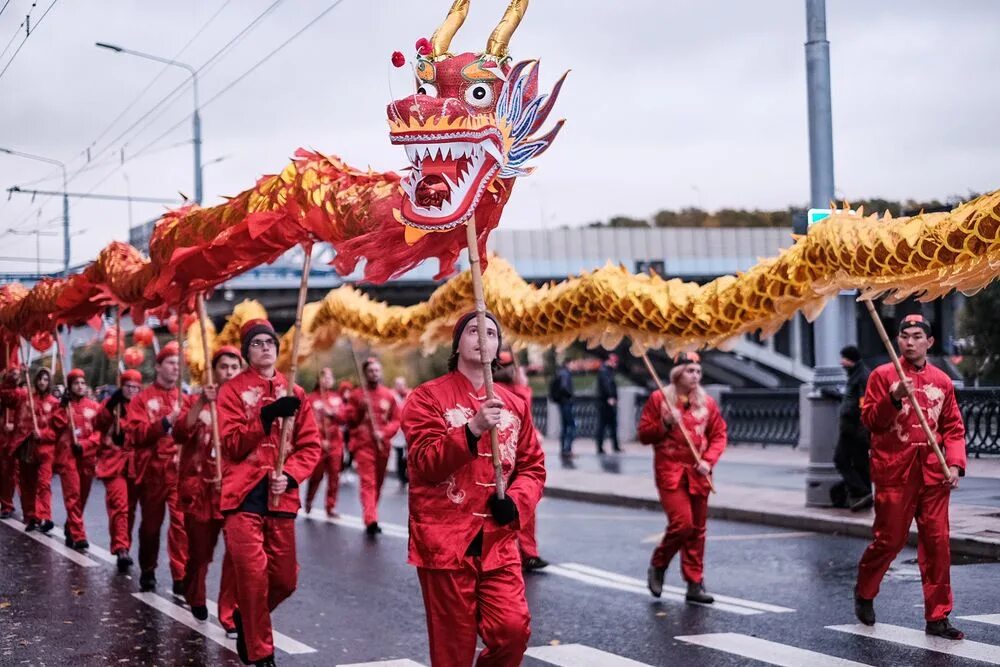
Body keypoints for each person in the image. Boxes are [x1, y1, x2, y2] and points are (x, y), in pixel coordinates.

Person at [402, 312, 546, 666]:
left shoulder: (515, 405)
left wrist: (516, 501)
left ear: (498, 346)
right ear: (457, 344)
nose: (483, 338)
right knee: (452, 648)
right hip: (445, 542)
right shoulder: (427, 398)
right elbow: (425, 464)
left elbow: (533, 467)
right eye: (473, 331)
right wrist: (472, 428)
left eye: (492, 333)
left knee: (513, 632)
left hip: (499, 541)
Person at [854, 313, 967, 640]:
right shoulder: (882, 376)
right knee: (889, 540)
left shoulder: (942, 381)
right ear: (898, 340)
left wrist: (955, 464)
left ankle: (938, 616)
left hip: (933, 474)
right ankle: (864, 591)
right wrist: (893, 398)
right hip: (894, 471)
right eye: (905, 336)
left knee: (937, 544)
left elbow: (953, 427)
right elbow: (871, 422)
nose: (910, 342)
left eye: (918, 336)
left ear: (929, 342)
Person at [216, 319, 321, 667]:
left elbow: (310, 446)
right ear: (247, 352)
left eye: (270, 342)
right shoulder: (230, 391)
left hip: (280, 496)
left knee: (285, 580)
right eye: (257, 343)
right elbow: (230, 444)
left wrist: (290, 475)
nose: (265, 347)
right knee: (253, 575)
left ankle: (248, 618)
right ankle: (261, 653)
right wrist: (264, 417)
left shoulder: (296, 392)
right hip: (242, 495)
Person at [639, 353, 727, 604]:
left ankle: (694, 583)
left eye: (698, 371)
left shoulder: (707, 403)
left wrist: (708, 460)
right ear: (677, 374)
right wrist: (665, 423)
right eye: (690, 371)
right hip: (671, 472)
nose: (696, 376)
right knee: (683, 524)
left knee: (698, 531)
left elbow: (719, 434)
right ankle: (659, 563)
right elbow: (644, 435)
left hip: (699, 473)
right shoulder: (659, 399)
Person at [174, 345, 241, 627]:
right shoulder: (196, 401)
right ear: (214, 371)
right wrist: (202, 403)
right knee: (200, 553)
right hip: (200, 491)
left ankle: (229, 614)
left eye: (234, 367)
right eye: (224, 367)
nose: (229, 373)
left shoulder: (245, 404)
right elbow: (178, 433)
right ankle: (195, 594)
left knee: (237, 554)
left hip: (233, 491)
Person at [124, 341, 191, 594]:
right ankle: (148, 568)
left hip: (178, 471)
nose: (176, 368)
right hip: (152, 472)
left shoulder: (185, 398)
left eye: (178, 363)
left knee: (181, 524)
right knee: (151, 527)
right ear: (158, 366)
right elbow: (137, 434)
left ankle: (180, 575)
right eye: (171, 363)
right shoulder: (141, 399)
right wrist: (165, 422)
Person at [495, 354, 549, 572]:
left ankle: (528, 552)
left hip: (519, 450)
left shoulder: (518, 390)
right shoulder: (509, 390)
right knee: (508, 503)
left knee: (523, 501)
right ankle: (520, 552)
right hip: (505, 451)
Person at [345, 356, 400, 536]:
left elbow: (396, 420)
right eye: (371, 371)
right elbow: (350, 420)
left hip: (383, 446)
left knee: (379, 482)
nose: (374, 374)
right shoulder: (357, 395)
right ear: (365, 373)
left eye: (377, 370)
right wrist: (361, 408)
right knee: (368, 482)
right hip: (364, 445)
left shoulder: (388, 395)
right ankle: (371, 519)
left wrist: (384, 433)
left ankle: (371, 512)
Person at [95, 368, 143, 573]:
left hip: (135, 464)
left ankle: (124, 544)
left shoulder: (142, 407)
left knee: (130, 509)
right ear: (121, 386)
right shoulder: (111, 405)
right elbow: (97, 423)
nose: (131, 390)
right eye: (128, 386)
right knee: (119, 506)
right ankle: (121, 547)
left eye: (135, 387)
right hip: (114, 463)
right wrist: (110, 407)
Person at [50, 368, 101, 550]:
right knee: (73, 495)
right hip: (68, 456)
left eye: (82, 383)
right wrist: (62, 408)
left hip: (87, 456)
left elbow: (100, 432)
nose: (80, 386)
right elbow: (55, 425)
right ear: (70, 386)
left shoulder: (94, 407)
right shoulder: (63, 406)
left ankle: (70, 525)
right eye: (75, 383)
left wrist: (86, 445)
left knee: (82, 496)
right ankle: (79, 534)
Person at [14, 368, 58, 533]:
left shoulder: (54, 403)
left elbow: (57, 429)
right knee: (29, 485)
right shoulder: (28, 400)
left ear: (49, 382)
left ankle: (45, 516)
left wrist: (43, 434)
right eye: (40, 379)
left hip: (46, 451)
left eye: (46, 379)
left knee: (44, 484)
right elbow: (21, 421)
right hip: (29, 449)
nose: (42, 382)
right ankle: (32, 517)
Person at [304, 366, 348, 517]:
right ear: (319, 380)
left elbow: (344, 418)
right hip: (319, 445)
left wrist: (333, 413)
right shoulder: (311, 399)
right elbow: (308, 423)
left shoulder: (337, 399)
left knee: (334, 476)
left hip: (336, 444)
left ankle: (330, 507)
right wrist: (319, 440)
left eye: (330, 377)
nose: (327, 380)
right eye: (324, 377)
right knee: (316, 476)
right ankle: (309, 499)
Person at [833, 345, 872, 511]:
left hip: (854, 429)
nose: (841, 362)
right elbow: (851, 399)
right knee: (860, 464)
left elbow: (864, 404)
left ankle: (861, 491)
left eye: (844, 358)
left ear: (850, 359)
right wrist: (834, 395)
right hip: (853, 428)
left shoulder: (862, 376)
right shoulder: (856, 374)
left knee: (840, 460)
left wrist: (863, 429)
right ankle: (865, 496)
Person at [0, 366, 25, 519]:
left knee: (14, 474)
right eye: (12, 373)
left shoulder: (22, 393)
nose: (15, 376)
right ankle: (6, 503)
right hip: (2, 436)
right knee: (4, 472)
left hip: (16, 437)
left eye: (17, 374)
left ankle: (28, 510)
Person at [548, 359, 575, 458]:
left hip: (561, 403)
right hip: (566, 403)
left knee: (564, 427)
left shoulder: (560, 372)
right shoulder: (565, 374)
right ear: (568, 363)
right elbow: (564, 387)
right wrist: (570, 395)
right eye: (573, 363)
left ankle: (563, 449)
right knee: (571, 426)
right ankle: (568, 449)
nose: (574, 366)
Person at [595, 353, 621, 454]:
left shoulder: (607, 371)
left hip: (607, 402)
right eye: (614, 362)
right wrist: (611, 397)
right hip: (605, 402)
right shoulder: (604, 371)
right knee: (603, 425)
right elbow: (607, 385)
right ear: (609, 361)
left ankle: (615, 446)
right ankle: (601, 447)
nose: (616, 364)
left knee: (612, 425)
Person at [391, 375, 411, 485]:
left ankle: (409, 476)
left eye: (401, 384)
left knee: (409, 455)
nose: (399, 387)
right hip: (397, 432)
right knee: (399, 455)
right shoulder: (392, 397)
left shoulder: (411, 395)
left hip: (409, 430)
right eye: (397, 385)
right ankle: (401, 478)